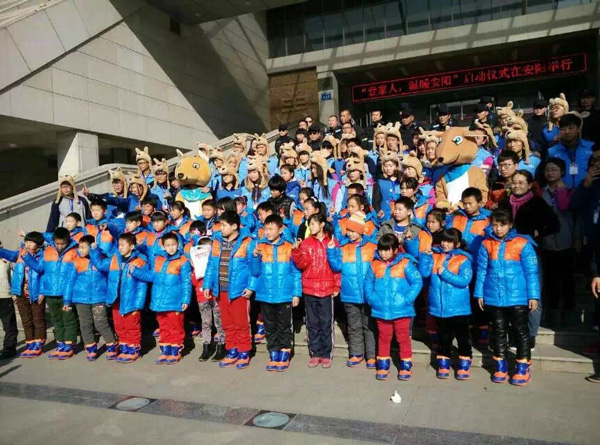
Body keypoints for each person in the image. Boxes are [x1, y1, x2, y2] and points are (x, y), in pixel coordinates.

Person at [474, 209, 540, 386]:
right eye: (495, 225)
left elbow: (532, 273)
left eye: (502, 225)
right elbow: (481, 270)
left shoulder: (523, 244)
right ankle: (500, 365)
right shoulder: (486, 244)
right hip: (493, 296)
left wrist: (533, 296)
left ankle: (522, 366)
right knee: (498, 331)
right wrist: (479, 293)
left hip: (518, 296)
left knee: (521, 332)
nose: (498, 228)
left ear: (510, 224)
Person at [364, 234, 423, 381]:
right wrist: (371, 299)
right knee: (384, 338)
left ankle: (405, 365)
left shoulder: (405, 263)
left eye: (386, 250)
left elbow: (417, 282)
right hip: (381, 310)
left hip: (402, 310)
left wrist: (407, 299)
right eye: (381, 250)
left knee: (403, 338)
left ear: (395, 250)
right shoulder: (374, 264)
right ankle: (383, 364)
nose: (383, 253)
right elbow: (368, 283)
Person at [202, 211, 256, 369]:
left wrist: (251, 287)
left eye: (224, 225)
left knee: (241, 322)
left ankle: (244, 350)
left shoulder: (247, 242)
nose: (221, 228)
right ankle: (231, 349)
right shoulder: (216, 241)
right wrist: (207, 284)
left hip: (239, 290)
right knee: (227, 322)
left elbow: (254, 268)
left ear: (234, 226)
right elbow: (211, 265)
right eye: (221, 225)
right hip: (221, 289)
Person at [419, 229, 473, 380]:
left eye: (449, 241)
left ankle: (464, 361)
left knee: (462, 337)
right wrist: (425, 257)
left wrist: (445, 273)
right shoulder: (434, 255)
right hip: (439, 307)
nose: (445, 244)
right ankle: (443, 361)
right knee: (444, 336)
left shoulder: (463, 259)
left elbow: (464, 281)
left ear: (457, 244)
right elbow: (424, 274)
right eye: (443, 240)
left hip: (459, 307)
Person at [251, 215, 302, 372]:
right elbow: (255, 272)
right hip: (265, 294)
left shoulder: (289, 247)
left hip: (284, 295)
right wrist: (255, 257)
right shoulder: (260, 246)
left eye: (271, 229)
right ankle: (273, 351)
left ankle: (285, 350)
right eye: (265, 228)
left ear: (280, 230)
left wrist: (296, 293)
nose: (267, 232)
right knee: (270, 326)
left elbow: (296, 272)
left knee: (284, 326)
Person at [327, 212, 377, 369]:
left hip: (368, 294)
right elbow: (336, 266)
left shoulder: (372, 247)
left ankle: (372, 355)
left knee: (369, 326)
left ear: (361, 231)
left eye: (353, 231)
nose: (350, 233)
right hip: (349, 293)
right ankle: (356, 353)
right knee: (353, 326)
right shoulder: (343, 247)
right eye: (348, 230)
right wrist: (331, 251)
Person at [132, 232, 191, 365]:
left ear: (178, 245)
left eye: (173, 244)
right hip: (159, 301)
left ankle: (175, 351)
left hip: (175, 301)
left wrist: (185, 300)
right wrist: (136, 271)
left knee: (176, 327)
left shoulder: (183, 261)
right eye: (168, 245)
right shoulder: (158, 259)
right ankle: (165, 349)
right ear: (163, 246)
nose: (171, 248)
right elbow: (152, 276)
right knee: (163, 326)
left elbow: (186, 283)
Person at [91, 233, 149, 364]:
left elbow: (142, 286)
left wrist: (139, 304)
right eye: (119, 245)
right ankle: (124, 347)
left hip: (131, 301)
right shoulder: (114, 259)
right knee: (119, 325)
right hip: (116, 299)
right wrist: (95, 251)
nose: (120, 247)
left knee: (132, 326)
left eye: (123, 245)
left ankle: (134, 349)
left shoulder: (139, 262)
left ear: (132, 246)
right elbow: (100, 265)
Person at [291, 213, 340, 368]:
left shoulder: (332, 242)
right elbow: (302, 264)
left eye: (312, 224)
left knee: (326, 323)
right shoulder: (306, 243)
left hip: (326, 289)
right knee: (312, 323)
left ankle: (326, 354)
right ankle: (315, 353)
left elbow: (337, 267)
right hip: (309, 288)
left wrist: (337, 285)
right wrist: (296, 252)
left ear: (322, 224)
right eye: (309, 224)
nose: (310, 227)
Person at [24, 227, 79, 360]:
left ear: (68, 240)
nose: (60, 246)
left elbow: (75, 274)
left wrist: (70, 295)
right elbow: (39, 268)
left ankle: (69, 345)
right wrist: (27, 258)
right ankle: (60, 344)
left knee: (68, 320)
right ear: (53, 241)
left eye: (62, 243)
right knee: (56, 320)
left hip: (66, 293)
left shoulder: (75, 252)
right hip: (50, 292)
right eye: (57, 243)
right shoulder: (47, 251)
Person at [446, 188, 491, 345]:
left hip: (480, 265)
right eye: (464, 203)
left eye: (470, 203)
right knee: (463, 300)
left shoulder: (488, 219)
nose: (467, 207)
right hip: (459, 266)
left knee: (478, 299)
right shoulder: (456, 217)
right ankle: (467, 334)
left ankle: (483, 333)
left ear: (480, 202)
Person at [63, 235, 118, 361]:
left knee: (101, 323)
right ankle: (91, 348)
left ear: (92, 246)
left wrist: (96, 252)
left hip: (99, 298)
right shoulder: (76, 261)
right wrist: (67, 300)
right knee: (85, 324)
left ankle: (112, 346)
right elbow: (69, 282)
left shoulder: (102, 259)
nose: (80, 250)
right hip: (81, 299)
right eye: (79, 247)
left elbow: (108, 272)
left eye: (83, 247)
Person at [540, 158, 577, 327]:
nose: (550, 173)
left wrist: (561, 191)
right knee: (551, 281)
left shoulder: (570, 191)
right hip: (547, 242)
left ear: (562, 172)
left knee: (568, 281)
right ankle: (552, 315)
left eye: (554, 169)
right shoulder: (541, 193)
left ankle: (568, 315)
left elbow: (567, 210)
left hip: (566, 241)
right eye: (547, 170)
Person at [0, 232, 45, 359]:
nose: (28, 244)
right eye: (27, 241)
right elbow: (8, 254)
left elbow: (40, 270)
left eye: (31, 242)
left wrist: (42, 292)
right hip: (21, 293)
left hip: (35, 293)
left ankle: (38, 345)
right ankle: (30, 344)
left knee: (38, 320)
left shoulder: (42, 255)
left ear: (38, 244)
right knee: (26, 320)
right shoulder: (20, 253)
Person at [548, 113, 594, 189]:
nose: (567, 132)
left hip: (587, 191)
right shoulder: (552, 152)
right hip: (561, 192)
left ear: (578, 129)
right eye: (563, 129)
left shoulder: (591, 148)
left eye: (571, 128)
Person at [0, 246, 17, 360]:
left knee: (9, 324)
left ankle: (9, 349)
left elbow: (15, 275)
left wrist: (14, 293)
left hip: (5, 295)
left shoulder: (8, 258)